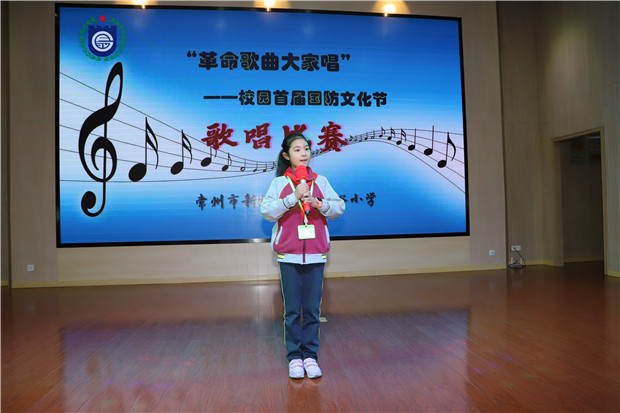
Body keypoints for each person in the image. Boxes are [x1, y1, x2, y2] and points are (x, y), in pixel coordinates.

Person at [260, 132, 345, 379]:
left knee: (312, 310)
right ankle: (294, 357)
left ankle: (310, 356)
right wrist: (292, 198)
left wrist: (319, 203)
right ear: (286, 156)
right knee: (292, 312)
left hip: (316, 255)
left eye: (306, 148)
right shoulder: (279, 184)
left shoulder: (321, 181)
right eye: (297, 149)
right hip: (289, 256)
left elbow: (339, 207)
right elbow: (267, 212)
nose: (303, 153)